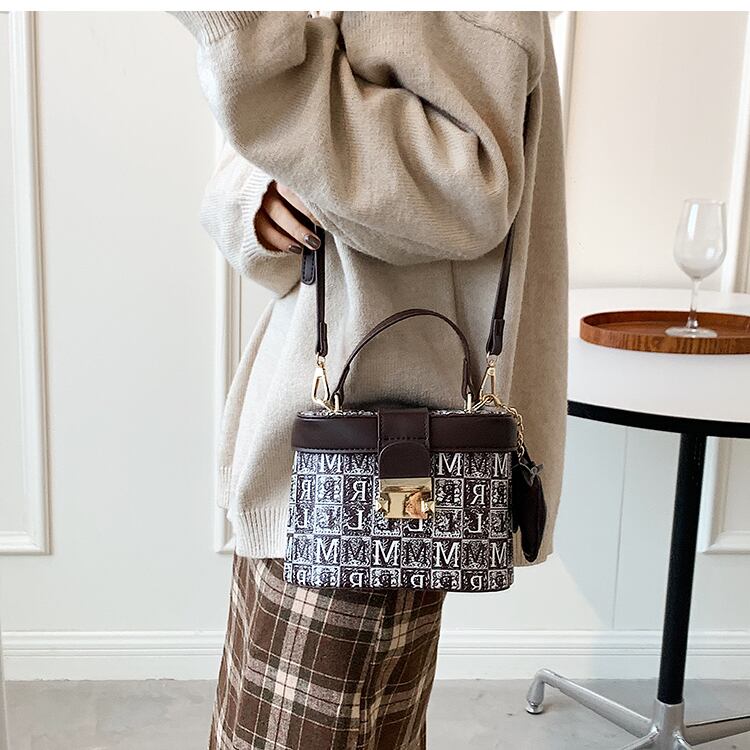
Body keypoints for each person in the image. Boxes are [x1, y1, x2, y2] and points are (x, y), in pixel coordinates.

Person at [173, 11, 568, 750]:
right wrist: (254, 198)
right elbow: (290, 161)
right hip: (321, 451)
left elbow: (465, 189)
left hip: (381, 476)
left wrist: (246, 33)